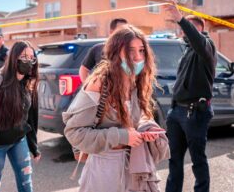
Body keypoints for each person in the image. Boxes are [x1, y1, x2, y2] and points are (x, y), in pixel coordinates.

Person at [63, 26, 169, 191]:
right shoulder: (99, 83)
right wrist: (122, 136)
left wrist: (145, 129)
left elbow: (137, 117)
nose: (137, 57)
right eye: (130, 50)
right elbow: (74, 133)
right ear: (115, 52)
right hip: (104, 170)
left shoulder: (136, 81)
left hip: (133, 166)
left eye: (141, 50)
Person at [164, 1, 217, 192]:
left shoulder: (207, 47)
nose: (184, 31)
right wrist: (172, 109)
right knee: (174, 160)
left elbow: (198, 40)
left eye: (189, 27)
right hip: (177, 112)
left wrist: (180, 18)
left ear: (200, 30)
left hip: (195, 113)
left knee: (198, 161)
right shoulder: (187, 51)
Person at [0, 41, 41, 192]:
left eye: (31, 58)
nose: (28, 61)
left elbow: (30, 119)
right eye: (24, 57)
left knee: (26, 185)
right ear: (13, 57)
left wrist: (34, 147)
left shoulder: (28, 84)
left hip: (19, 141)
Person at [79, 18, 128, 82]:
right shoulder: (98, 49)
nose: (125, 34)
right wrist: (88, 85)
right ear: (111, 32)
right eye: (121, 30)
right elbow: (84, 69)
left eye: (126, 31)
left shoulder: (131, 50)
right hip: (103, 90)